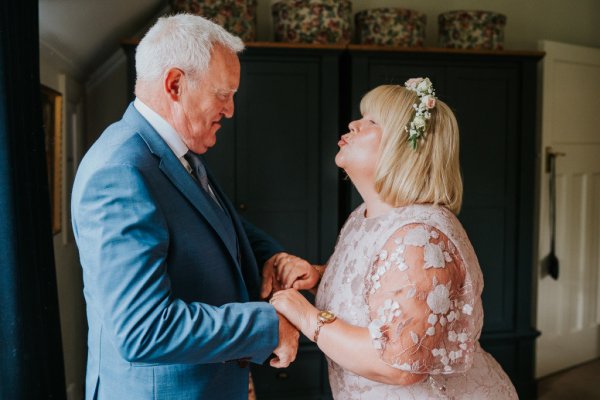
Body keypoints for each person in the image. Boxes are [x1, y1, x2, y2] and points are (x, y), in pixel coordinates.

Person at [71, 14, 301, 400]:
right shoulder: (120, 172)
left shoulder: (172, 150)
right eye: (223, 94)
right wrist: (269, 325)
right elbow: (144, 330)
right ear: (175, 84)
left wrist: (270, 256)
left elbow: (208, 222)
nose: (230, 111)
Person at [267, 80, 519, 399]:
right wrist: (320, 276)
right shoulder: (363, 216)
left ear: (401, 146)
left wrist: (304, 315)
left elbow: (399, 366)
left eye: (371, 121)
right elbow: (381, 292)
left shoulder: (421, 237)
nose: (353, 124)